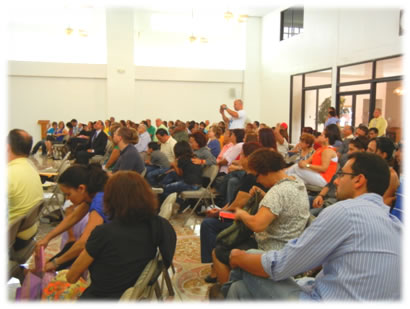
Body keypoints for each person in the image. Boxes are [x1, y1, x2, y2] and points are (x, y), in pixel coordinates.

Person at [225, 152, 401, 301]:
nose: (336, 181)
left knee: (248, 257)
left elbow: (283, 265)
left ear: (358, 180)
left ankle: (223, 291)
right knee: (239, 289)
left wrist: (239, 258)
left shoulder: (345, 212)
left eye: (341, 174)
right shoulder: (397, 226)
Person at [66, 171, 177, 299]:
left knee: (55, 285)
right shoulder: (157, 226)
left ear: (110, 199)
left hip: (101, 298)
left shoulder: (104, 233)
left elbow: (72, 277)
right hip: (133, 294)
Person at [212, 149, 310, 284]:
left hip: (271, 251)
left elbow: (257, 225)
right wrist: (264, 196)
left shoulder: (277, 193)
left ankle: (228, 293)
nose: (256, 180)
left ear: (266, 171)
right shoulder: (297, 183)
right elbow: (283, 207)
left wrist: (241, 213)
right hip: (290, 246)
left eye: (256, 176)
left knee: (218, 252)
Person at [200, 142, 264, 283]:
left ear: (248, 158)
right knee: (211, 221)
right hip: (238, 215)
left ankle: (215, 266)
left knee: (209, 224)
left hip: (243, 220)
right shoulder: (248, 176)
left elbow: (239, 203)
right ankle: (214, 264)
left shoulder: (251, 178)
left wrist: (220, 212)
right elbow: (235, 200)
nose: (239, 159)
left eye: (241, 156)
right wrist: (222, 210)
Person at [36, 164, 109, 271]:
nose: (68, 199)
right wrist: (47, 238)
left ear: (81, 188)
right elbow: (73, 217)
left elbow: (84, 243)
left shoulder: (99, 202)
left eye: (68, 194)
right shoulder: (91, 196)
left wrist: (56, 263)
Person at [8, 129, 43, 250]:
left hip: (12, 238)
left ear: (7, 147)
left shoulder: (9, 173)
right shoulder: (31, 167)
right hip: (29, 231)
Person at [366, 137, 399, 206]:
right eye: (367, 148)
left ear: (383, 155)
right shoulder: (368, 169)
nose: (366, 152)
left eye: (371, 150)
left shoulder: (390, 175)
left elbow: (383, 203)